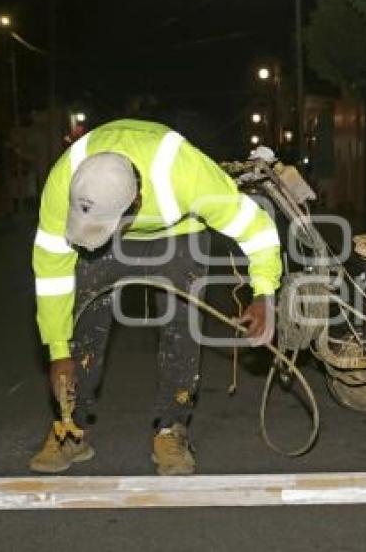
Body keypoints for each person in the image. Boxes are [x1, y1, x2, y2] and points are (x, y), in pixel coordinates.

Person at [30, 119, 282, 475]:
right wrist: (58, 350)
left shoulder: (187, 175)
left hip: (179, 232)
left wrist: (264, 294)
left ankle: (171, 426)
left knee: (182, 318)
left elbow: (257, 230)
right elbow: (52, 275)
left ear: (136, 201)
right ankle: (71, 426)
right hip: (105, 224)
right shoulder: (64, 182)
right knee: (84, 312)